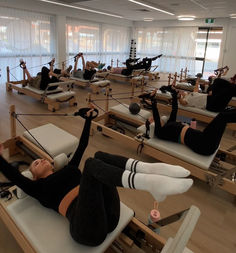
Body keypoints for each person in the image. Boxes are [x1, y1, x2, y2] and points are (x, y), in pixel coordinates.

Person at [0, 106, 193, 247]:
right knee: (92, 165)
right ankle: (148, 182)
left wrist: (88, 120)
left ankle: (149, 172)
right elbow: (13, 175)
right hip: (85, 229)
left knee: (98, 156)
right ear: (33, 176)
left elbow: (82, 145)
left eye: (42, 159)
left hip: (109, 213)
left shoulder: (69, 169)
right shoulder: (37, 188)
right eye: (35, 163)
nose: (40, 160)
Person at [140, 89, 236, 156]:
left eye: (151, 118)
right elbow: (156, 116)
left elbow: (174, 109)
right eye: (150, 120)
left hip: (204, 139)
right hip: (203, 145)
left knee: (224, 115)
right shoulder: (160, 132)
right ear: (152, 125)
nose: (152, 118)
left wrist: (175, 95)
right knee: (222, 116)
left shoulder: (169, 123)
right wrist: (153, 100)